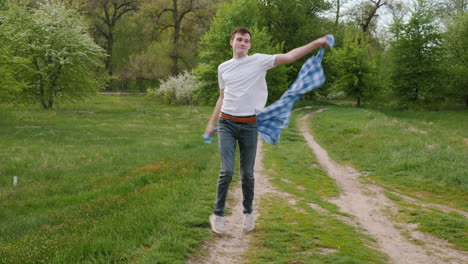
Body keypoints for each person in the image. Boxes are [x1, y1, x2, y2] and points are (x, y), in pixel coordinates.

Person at [205, 27, 328, 234]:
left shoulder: (259, 61)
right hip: (226, 123)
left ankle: (248, 212)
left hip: (249, 124)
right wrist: (211, 123)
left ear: (249, 45)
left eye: (246, 41)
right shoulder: (223, 68)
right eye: (239, 40)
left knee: (247, 174)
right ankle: (217, 215)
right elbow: (222, 96)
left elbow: (289, 57)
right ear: (231, 42)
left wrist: (316, 43)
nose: (242, 43)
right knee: (226, 171)